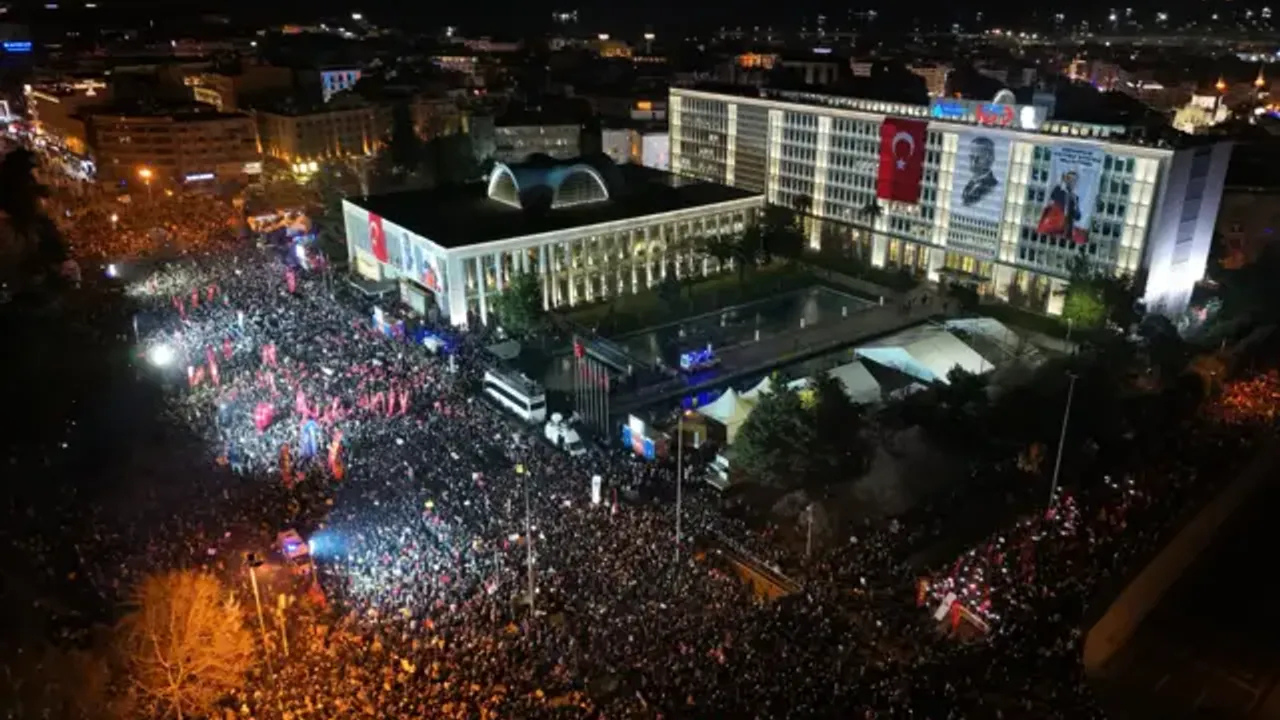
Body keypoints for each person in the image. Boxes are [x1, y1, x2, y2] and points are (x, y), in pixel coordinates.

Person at [1038, 170, 1084, 244]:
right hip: (1053, 227)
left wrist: (1076, 206)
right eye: (1070, 179)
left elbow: (1077, 217)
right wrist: (1061, 182)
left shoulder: (1075, 198)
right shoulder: (1059, 191)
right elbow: (1053, 197)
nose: (1072, 182)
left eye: (1074, 180)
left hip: (1066, 231)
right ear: (1066, 180)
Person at [961, 137, 999, 207]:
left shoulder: (992, 186)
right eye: (971, 157)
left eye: (978, 158)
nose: (973, 162)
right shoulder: (971, 183)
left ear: (990, 159)